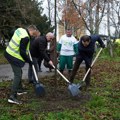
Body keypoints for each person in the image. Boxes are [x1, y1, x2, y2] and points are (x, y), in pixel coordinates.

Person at [4, 25, 39, 105]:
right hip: (13, 56)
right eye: (33, 34)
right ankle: (12, 96)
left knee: (19, 72)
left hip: (8, 52)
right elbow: (22, 52)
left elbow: (12, 32)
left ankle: (19, 89)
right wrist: (29, 61)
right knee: (18, 75)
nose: (33, 36)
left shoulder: (20, 30)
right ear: (31, 30)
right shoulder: (26, 37)